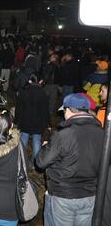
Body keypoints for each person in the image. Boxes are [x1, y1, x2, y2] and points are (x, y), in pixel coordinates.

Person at [36, 93, 104, 226]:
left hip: (63, 197)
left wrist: (45, 147)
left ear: (69, 110)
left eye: (64, 111)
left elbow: (41, 162)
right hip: (90, 196)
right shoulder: (102, 133)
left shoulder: (62, 135)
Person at [15, 73, 50, 164]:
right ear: (40, 81)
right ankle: (35, 162)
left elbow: (18, 108)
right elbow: (46, 110)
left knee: (23, 137)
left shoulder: (23, 92)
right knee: (37, 140)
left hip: (25, 119)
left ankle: (20, 158)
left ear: (30, 81)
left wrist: (16, 120)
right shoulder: (43, 93)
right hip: (38, 121)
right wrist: (47, 123)